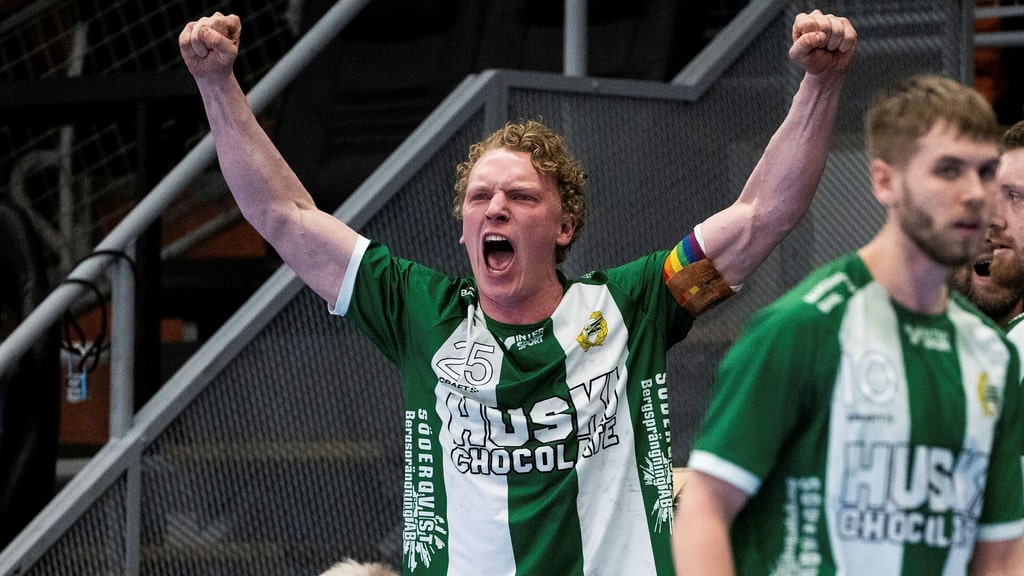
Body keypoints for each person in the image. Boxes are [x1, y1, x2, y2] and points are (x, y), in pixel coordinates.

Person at [179, 9, 856, 575]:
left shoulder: (636, 303)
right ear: (464, 229)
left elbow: (763, 215)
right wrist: (216, 84)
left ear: (565, 227)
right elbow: (283, 215)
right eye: (480, 197)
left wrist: (820, 85)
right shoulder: (417, 309)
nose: (495, 207)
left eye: (521, 196)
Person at [672, 74, 1024, 576]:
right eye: (948, 170)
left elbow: (1002, 555)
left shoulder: (992, 354)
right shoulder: (801, 328)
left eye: (986, 172)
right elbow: (704, 509)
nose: (974, 194)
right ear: (885, 181)